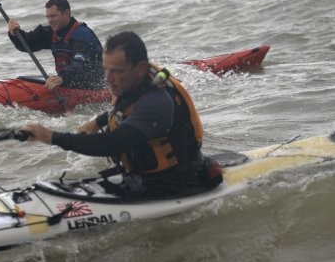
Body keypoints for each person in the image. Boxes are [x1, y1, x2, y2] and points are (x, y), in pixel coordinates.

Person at [22, 31, 223, 199]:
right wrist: (96, 122)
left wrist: (52, 138)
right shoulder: (136, 81)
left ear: (140, 68)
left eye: (117, 71)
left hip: (173, 184)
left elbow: (113, 143)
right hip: (141, 177)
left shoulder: (157, 102)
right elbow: (126, 106)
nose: (109, 79)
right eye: (106, 70)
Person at [7, 0, 105, 90]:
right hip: (66, 82)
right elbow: (27, 44)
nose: (50, 20)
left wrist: (62, 77)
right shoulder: (50, 32)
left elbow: (79, 65)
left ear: (66, 13)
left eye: (53, 16)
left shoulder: (82, 35)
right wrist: (15, 34)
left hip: (93, 86)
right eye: (48, 17)